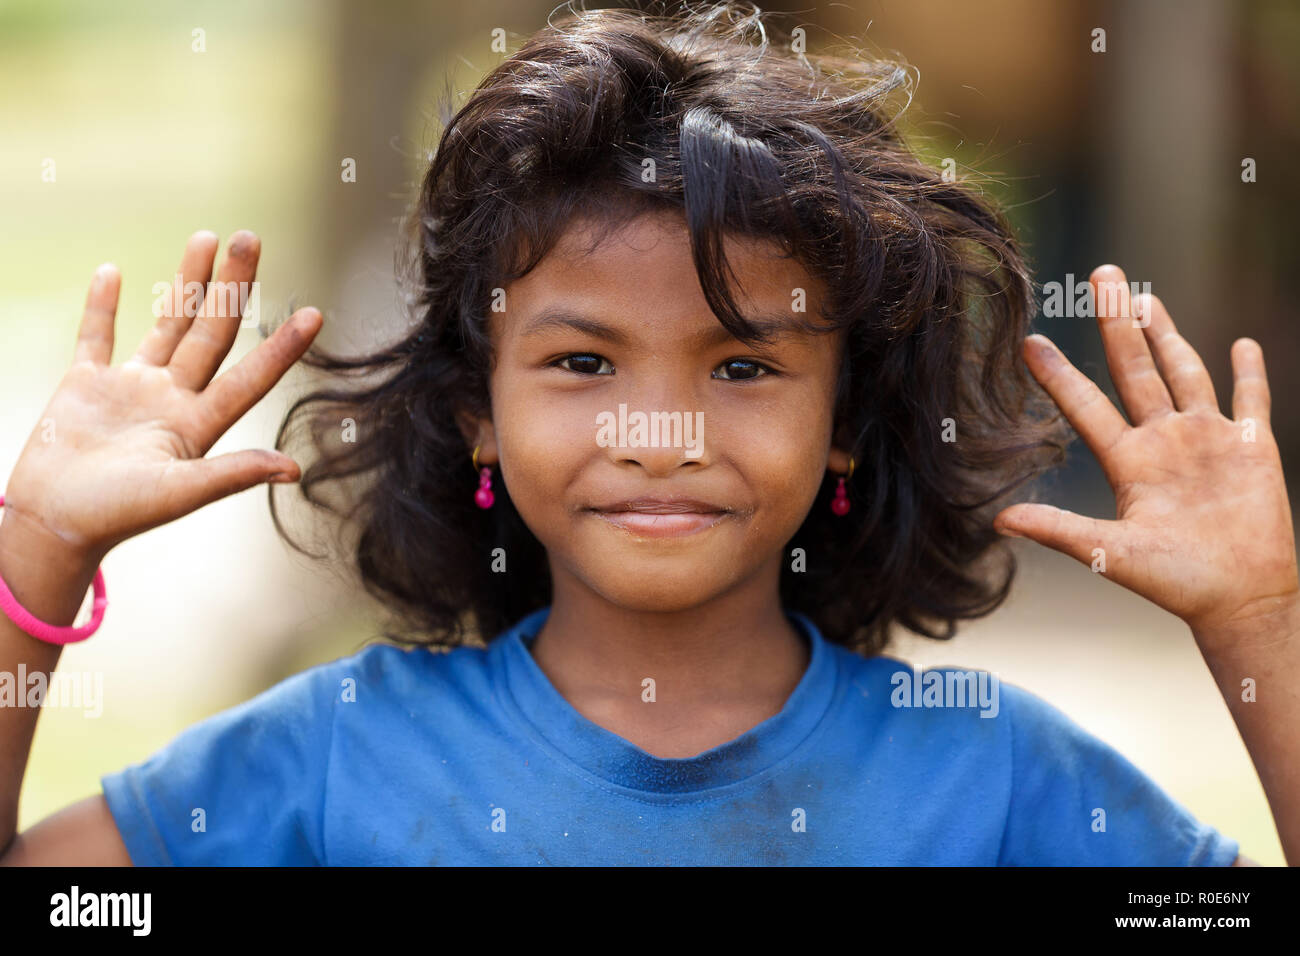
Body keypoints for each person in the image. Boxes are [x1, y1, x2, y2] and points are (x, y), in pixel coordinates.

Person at [1, 2, 1294, 866]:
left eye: (741, 364)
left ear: (843, 424)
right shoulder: (333, 757)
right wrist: (35, 564)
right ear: (477, 413)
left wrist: (1260, 628)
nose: (660, 425)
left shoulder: (995, 776)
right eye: (580, 361)